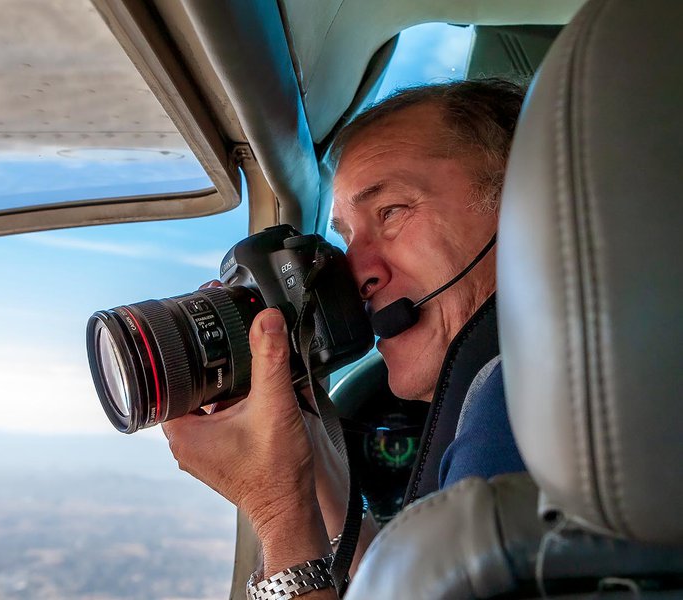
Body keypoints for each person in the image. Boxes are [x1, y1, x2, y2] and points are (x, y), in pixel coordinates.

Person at [162, 79, 528, 598]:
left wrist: (278, 510)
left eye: (392, 212)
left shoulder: (519, 405)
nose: (356, 274)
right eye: (348, 237)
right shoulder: (505, 396)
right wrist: (316, 473)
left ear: (531, 206)